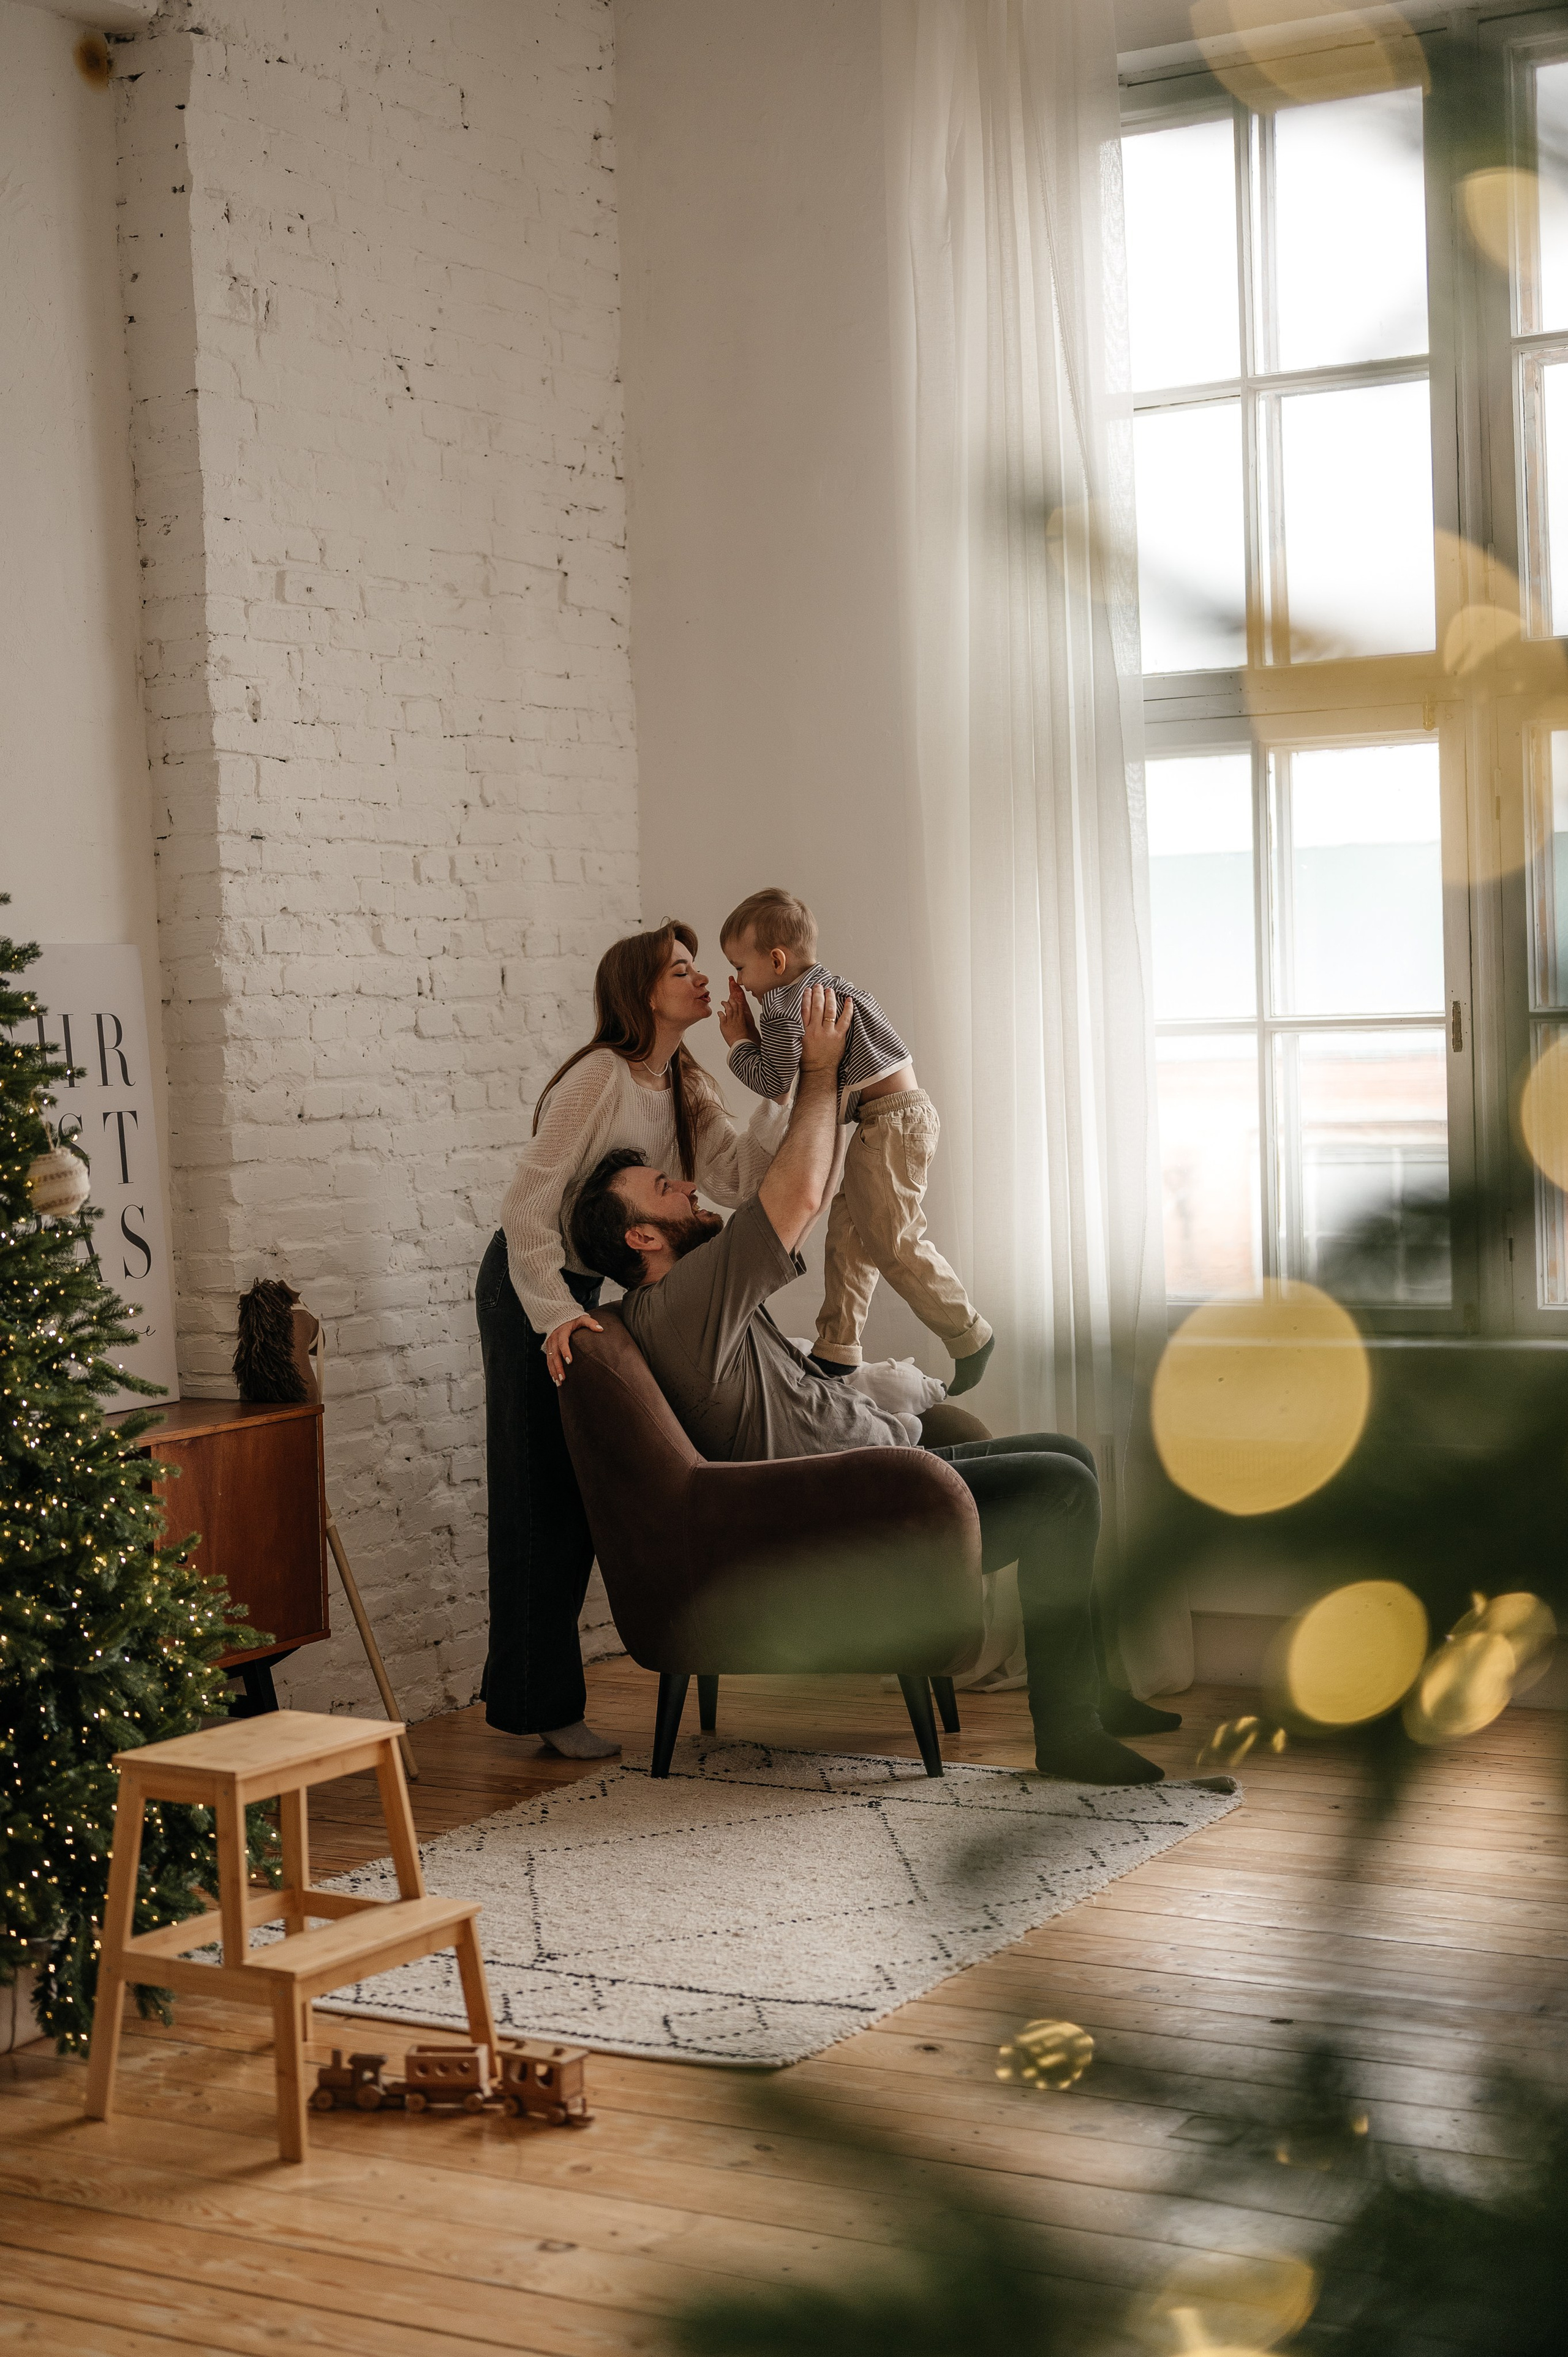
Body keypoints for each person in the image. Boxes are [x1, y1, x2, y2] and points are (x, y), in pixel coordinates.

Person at [567, 984, 1177, 1784]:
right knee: (1062, 1483)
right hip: (852, 1512)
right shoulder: (681, 1304)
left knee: (1071, 1460)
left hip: (877, 1481)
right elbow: (800, 1195)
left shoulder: (684, 1309)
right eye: (664, 1190)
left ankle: (1097, 1693)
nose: (686, 1187)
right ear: (643, 1236)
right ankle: (1069, 1733)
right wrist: (819, 1070)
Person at [476, 919, 787, 1759]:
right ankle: (539, 1705)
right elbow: (526, 1207)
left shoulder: (684, 1081)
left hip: (588, 1291)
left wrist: (775, 1082)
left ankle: (547, 1696)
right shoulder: (597, 1079)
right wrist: (555, 1314)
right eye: (682, 969)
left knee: (592, 1487)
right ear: (640, 991)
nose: (701, 980)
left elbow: (738, 1178)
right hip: (531, 1291)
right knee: (539, 1492)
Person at [718, 886, 992, 1396]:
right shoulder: (824, 984)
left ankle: (968, 1333)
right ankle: (837, 1351)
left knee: (893, 1241)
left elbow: (775, 1083)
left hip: (888, 1123)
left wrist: (738, 1039)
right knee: (849, 1237)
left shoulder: (781, 1003)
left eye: (740, 968)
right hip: (895, 1118)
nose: (739, 982)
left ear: (776, 961)